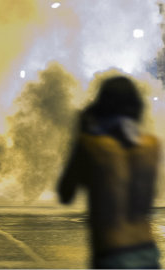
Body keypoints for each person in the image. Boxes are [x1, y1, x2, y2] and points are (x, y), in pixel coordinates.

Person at [57, 76, 161, 269]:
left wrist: (80, 133)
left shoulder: (91, 145)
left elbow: (65, 193)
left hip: (112, 253)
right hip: (148, 250)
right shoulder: (152, 145)